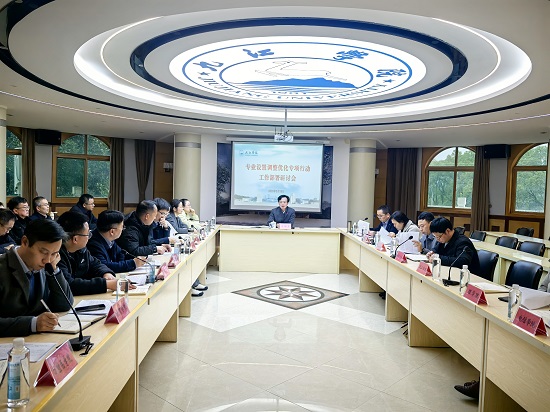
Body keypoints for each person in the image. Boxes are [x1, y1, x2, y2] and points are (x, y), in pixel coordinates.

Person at [0, 219, 73, 337]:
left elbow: (64, 304)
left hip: (39, 341)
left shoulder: (45, 265)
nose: (47, 260)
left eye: (54, 254)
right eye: (43, 252)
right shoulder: (3, 268)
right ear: (25, 242)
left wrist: (54, 270)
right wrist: (32, 324)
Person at [57, 211, 118, 296]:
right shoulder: (56, 255)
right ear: (75, 239)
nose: (89, 237)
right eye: (87, 234)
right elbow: (69, 284)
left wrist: (106, 273)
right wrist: (106, 284)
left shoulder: (81, 249)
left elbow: (95, 263)